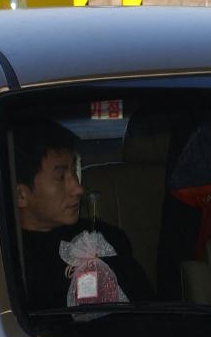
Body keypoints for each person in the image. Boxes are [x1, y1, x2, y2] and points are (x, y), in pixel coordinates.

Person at [13, 118, 150, 311]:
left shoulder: (105, 239)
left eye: (74, 171)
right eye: (61, 177)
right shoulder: (8, 263)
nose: (78, 188)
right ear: (21, 194)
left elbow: (146, 307)